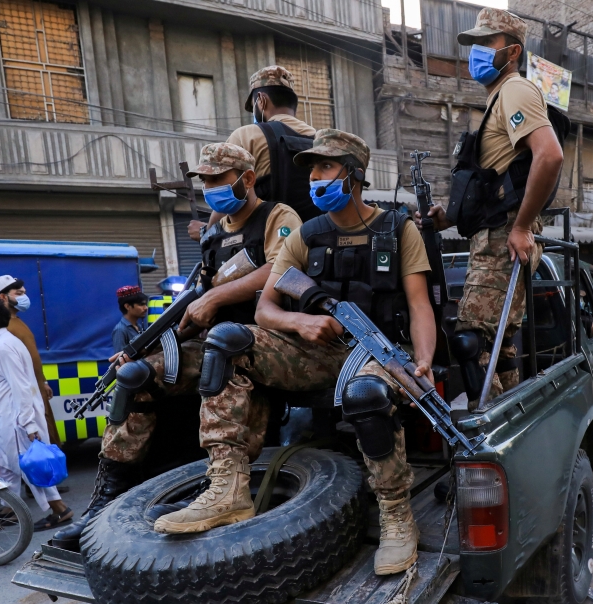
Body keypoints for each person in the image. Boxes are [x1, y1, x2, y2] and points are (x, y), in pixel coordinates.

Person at [152, 130, 435, 577]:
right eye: (312, 169)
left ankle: (396, 511)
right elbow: (265, 309)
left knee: (366, 395)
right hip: (316, 352)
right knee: (226, 341)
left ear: (354, 174)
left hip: (378, 350)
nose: (315, 177)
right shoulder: (306, 235)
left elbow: (419, 306)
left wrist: (423, 363)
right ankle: (228, 487)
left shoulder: (398, 229)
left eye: (326, 167)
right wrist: (300, 322)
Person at [52, 142, 302, 551]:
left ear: (247, 178)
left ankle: (220, 487)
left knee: (224, 351)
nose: (210, 188)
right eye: (206, 181)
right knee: (135, 375)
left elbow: (282, 268)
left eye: (218, 179)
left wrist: (216, 297)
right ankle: (106, 501)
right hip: (213, 343)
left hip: (267, 341)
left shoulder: (277, 217)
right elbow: (195, 304)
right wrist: (144, 349)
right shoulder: (215, 234)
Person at [418, 8, 563, 408]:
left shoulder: (515, 90)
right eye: (474, 44)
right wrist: (447, 217)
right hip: (496, 233)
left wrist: (522, 226)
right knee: (499, 342)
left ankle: (489, 429)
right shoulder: (498, 97)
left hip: (503, 237)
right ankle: (513, 414)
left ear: (512, 52)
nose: (476, 52)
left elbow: (549, 155)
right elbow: (494, 181)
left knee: (470, 339)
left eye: (486, 43)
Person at [0, 299, 72, 531]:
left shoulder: (4, 347)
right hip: (3, 423)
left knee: (31, 467)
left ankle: (60, 510)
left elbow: (22, 387)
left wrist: (28, 424)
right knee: (3, 466)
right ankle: (10, 509)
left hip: (15, 423)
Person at [190, 66, 317, 241]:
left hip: (266, 245)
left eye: (253, 106)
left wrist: (207, 234)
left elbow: (228, 193)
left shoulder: (247, 135)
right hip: (316, 243)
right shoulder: (320, 140)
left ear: (261, 100)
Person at [0, 276, 61, 448]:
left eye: (24, 293)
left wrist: (42, 382)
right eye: (18, 293)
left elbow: (31, 357)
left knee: (48, 444)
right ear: (3, 297)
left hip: (36, 391)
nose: (24, 297)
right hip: (22, 400)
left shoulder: (17, 321)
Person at [112, 286, 149, 353]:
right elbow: (120, 357)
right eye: (141, 304)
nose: (146, 308)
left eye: (145, 304)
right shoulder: (120, 330)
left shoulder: (138, 326)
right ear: (127, 306)